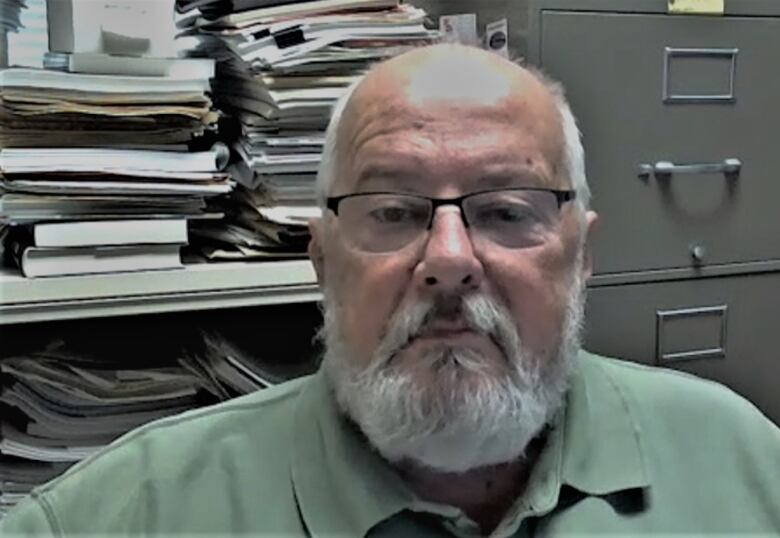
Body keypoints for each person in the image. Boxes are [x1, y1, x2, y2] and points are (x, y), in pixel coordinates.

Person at [2, 44, 779, 537]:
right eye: (394, 211)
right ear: (322, 262)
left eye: (508, 211)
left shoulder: (745, 465)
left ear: (582, 258)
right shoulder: (123, 516)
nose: (447, 259)